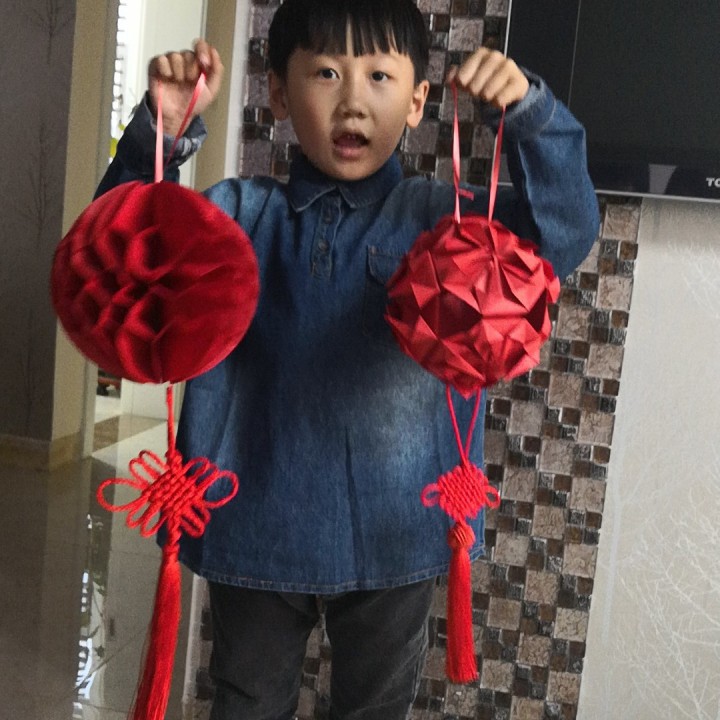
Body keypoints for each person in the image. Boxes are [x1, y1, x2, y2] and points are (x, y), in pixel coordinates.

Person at [96, 1, 599, 717]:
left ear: (418, 100)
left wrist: (531, 118)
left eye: (380, 76)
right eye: (327, 72)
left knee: (374, 709)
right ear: (278, 92)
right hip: (254, 526)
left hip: (399, 534)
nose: (354, 100)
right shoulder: (236, 216)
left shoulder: (448, 221)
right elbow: (117, 258)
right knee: (246, 702)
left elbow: (564, 233)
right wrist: (160, 131)